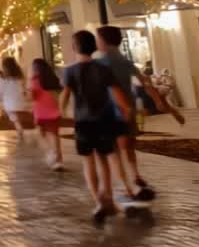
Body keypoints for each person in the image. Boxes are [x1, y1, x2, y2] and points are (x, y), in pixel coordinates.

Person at [96, 26, 178, 203]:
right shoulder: (126, 61)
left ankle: (128, 187)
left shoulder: (102, 63)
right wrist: (159, 101)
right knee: (129, 146)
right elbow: (145, 82)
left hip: (111, 110)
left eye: (98, 39)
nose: (97, 42)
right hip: (130, 107)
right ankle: (134, 176)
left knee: (114, 150)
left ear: (103, 41)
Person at [61, 30, 133, 223]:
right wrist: (126, 109)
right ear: (93, 46)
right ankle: (107, 195)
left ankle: (98, 201)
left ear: (75, 47)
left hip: (83, 122)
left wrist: (63, 112)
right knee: (104, 159)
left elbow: (65, 95)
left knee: (88, 162)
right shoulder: (103, 69)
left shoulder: (69, 71)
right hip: (104, 120)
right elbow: (116, 92)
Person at [30, 58, 64, 170]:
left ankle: (51, 154)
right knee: (54, 135)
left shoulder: (35, 80)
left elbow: (32, 97)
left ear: (36, 69)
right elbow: (58, 94)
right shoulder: (53, 79)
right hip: (54, 111)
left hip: (41, 113)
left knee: (40, 134)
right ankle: (59, 160)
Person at [0, 57, 31, 143]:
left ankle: (20, 132)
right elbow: (23, 87)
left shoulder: (3, 78)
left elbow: (0, 90)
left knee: (15, 119)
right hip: (19, 100)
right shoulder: (19, 75)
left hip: (9, 102)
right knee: (16, 118)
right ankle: (20, 131)